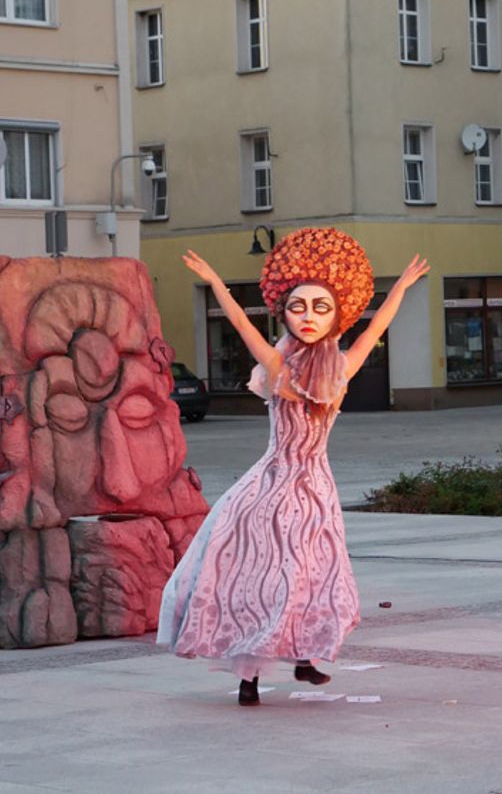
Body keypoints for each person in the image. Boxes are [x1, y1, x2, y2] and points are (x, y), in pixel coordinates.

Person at [157, 228, 429, 706]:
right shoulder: (279, 369)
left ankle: (304, 657)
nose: (308, 317)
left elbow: (375, 328)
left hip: (315, 487)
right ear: (282, 314)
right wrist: (217, 284)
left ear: (335, 317)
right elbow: (241, 326)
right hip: (271, 484)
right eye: (298, 307)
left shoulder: (340, 367)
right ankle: (252, 678)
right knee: (264, 574)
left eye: (320, 308)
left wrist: (402, 289)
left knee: (315, 573)